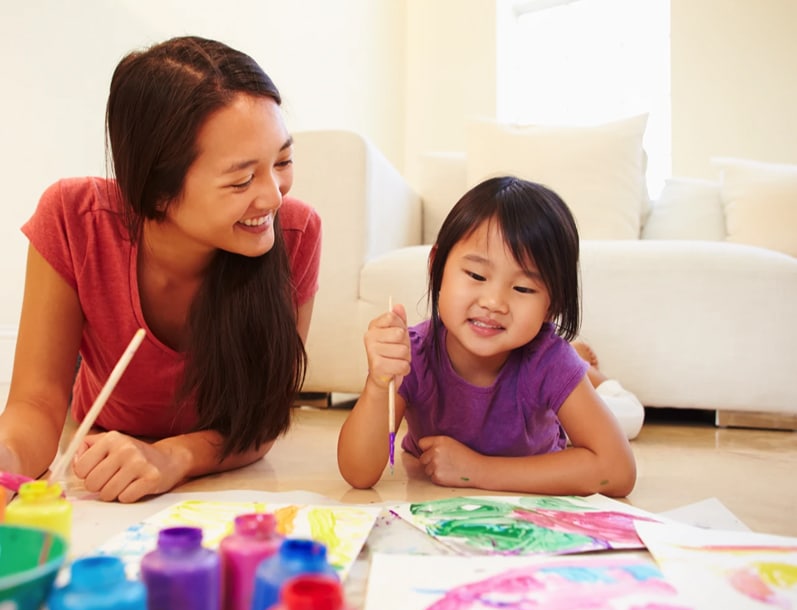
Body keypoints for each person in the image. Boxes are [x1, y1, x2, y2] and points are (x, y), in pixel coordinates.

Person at [0, 36, 322, 503]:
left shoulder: (296, 232)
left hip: (218, 472)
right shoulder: (73, 218)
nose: (274, 196)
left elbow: (261, 420)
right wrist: (7, 465)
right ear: (156, 192)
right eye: (241, 179)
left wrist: (174, 458)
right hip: (100, 445)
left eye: (283, 161)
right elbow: (36, 403)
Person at [337, 176, 636, 496]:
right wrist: (378, 385)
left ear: (552, 306)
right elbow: (358, 473)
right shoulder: (415, 354)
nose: (493, 303)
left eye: (523, 288)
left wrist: (476, 470)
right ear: (437, 266)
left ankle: (592, 374)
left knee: (630, 415)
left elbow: (617, 472)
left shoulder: (549, 360)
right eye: (477, 275)